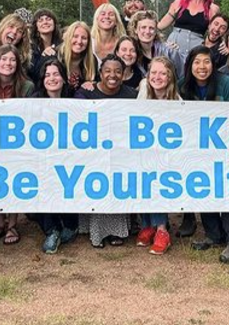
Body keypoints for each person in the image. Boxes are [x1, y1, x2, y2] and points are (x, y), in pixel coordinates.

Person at [177, 45, 229, 244]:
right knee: (203, 189)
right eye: (197, 62)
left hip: (225, 146)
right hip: (195, 149)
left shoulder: (227, 84)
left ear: (213, 65)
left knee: (227, 190)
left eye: (206, 62)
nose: (202, 67)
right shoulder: (182, 86)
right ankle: (213, 234)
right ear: (189, 66)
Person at [75, 55, 137, 247]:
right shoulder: (86, 93)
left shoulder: (132, 95)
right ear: (100, 73)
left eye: (118, 71)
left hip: (121, 154)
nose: (113, 75)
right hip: (93, 154)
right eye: (108, 71)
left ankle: (116, 231)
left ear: (124, 74)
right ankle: (97, 232)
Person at [0, 44, 33, 246]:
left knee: (13, 179)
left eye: (12, 60)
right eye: (4, 59)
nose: (8, 63)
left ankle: (12, 224)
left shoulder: (27, 86)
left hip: (17, 140)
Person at [134, 56, 181, 255]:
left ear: (170, 76)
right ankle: (148, 225)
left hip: (165, 153)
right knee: (143, 182)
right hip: (144, 149)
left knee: (158, 181)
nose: (157, 77)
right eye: (153, 72)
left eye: (163, 73)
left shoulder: (176, 100)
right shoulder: (144, 89)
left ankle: (162, 229)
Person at [31, 58, 79, 254]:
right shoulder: (33, 101)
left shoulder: (75, 99)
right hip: (42, 158)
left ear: (64, 78)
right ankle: (52, 230)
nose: (52, 79)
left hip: (68, 158)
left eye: (56, 74)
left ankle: (70, 225)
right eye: (48, 75)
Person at [158, 0, 220, 65]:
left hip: (195, 53)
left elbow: (217, 32)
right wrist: (162, 43)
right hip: (173, 50)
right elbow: (160, 26)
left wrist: (225, 43)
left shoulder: (212, 8)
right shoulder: (178, 3)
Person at [127, 10, 182, 76]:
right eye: (143, 27)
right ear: (135, 29)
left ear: (156, 31)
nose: (147, 32)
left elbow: (181, 75)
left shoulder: (168, 51)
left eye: (151, 28)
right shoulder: (131, 52)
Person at [58, 21, 96, 90]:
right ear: (68, 37)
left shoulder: (92, 60)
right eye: (75, 36)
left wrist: (92, 84)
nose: (79, 41)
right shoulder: (55, 57)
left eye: (84, 38)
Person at [28, 8, 62, 83]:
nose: (45, 22)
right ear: (36, 27)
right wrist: (43, 58)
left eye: (48, 19)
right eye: (40, 20)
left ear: (54, 24)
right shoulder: (30, 48)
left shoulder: (62, 46)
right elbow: (31, 74)